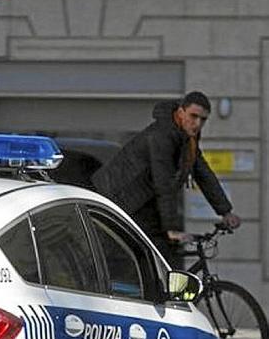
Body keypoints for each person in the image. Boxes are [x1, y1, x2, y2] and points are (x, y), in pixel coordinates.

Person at [92, 91, 241, 264]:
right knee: (148, 253)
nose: (197, 124)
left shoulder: (187, 139)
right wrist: (171, 228)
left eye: (203, 119)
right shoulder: (162, 135)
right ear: (181, 112)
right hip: (122, 198)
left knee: (161, 255)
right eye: (193, 116)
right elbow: (164, 182)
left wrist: (225, 211)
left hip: (145, 200)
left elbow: (202, 173)